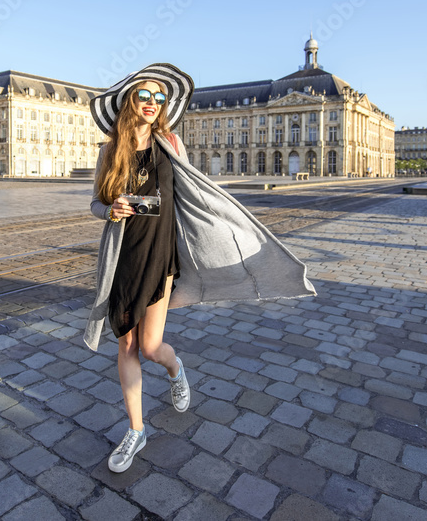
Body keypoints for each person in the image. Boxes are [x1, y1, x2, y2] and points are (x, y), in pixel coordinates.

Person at [87, 64, 316, 473]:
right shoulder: (109, 151)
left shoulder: (172, 143)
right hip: (123, 255)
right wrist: (110, 209)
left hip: (160, 255)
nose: (153, 104)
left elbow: (197, 194)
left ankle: (176, 369)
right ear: (129, 102)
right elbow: (95, 204)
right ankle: (136, 431)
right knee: (125, 346)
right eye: (145, 96)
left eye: (159, 98)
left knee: (151, 348)